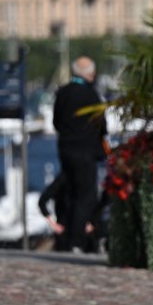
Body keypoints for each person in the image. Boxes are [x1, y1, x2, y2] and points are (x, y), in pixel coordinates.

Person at [53, 56, 108, 253]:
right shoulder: (91, 95)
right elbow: (102, 125)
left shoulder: (63, 93)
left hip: (65, 150)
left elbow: (56, 122)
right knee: (86, 196)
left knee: (71, 192)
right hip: (86, 152)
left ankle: (67, 237)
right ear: (90, 75)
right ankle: (77, 240)